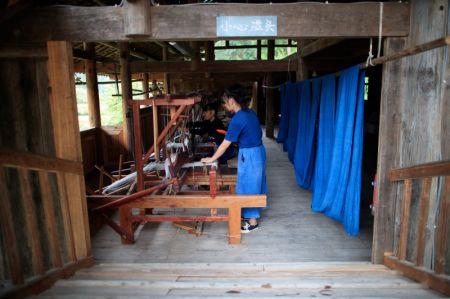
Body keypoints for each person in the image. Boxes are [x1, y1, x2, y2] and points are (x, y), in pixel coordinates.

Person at [201, 84, 267, 233]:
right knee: (255, 183)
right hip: (258, 152)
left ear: (231, 100)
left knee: (249, 186)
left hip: (250, 155)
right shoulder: (249, 112)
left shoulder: (238, 119)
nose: (224, 105)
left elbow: (224, 145)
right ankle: (251, 214)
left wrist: (211, 159)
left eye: (225, 101)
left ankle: (252, 222)